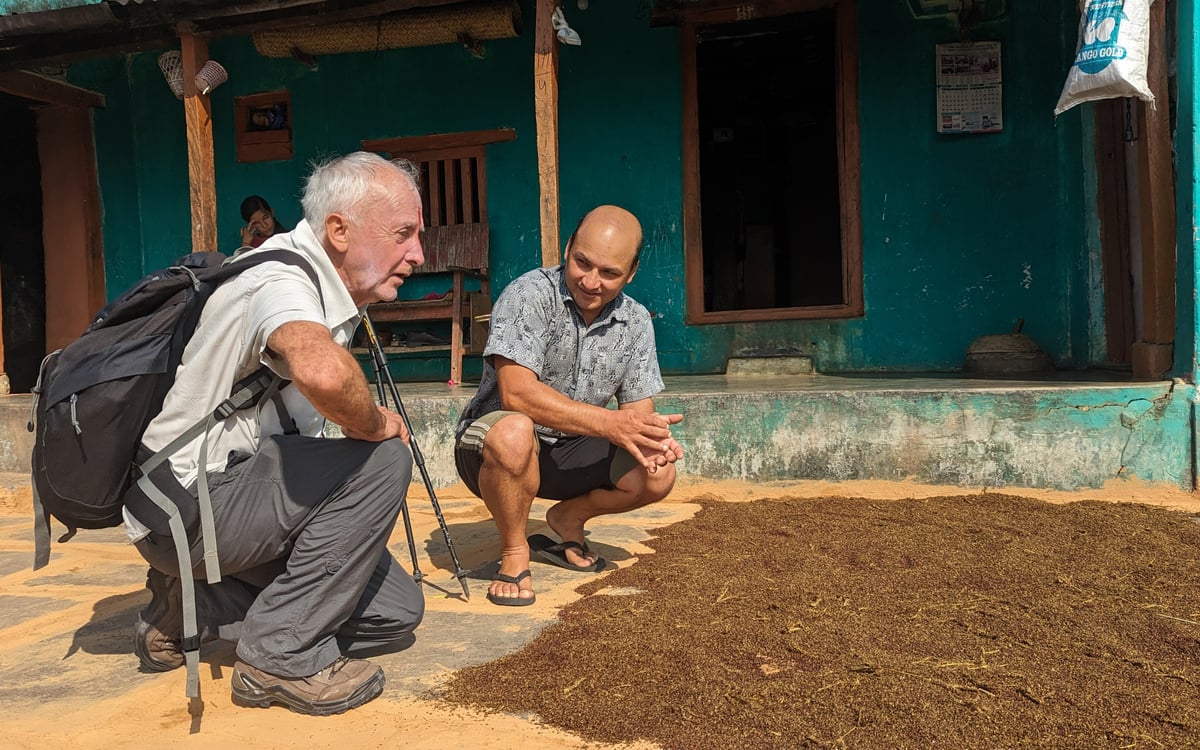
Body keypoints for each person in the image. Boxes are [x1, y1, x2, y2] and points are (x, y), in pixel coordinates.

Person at [125, 152, 427, 715]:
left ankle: (193, 605)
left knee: (396, 612)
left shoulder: (322, 287)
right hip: (190, 505)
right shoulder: (279, 277)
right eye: (403, 235)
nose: (418, 254)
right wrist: (376, 422)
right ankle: (279, 658)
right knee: (383, 459)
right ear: (338, 229)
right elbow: (322, 372)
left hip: (227, 511)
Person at [453, 205, 684, 607]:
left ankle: (569, 517)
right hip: (493, 448)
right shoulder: (529, 295)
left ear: (630, 274)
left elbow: (638, 412)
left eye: (610, 273)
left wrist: (651, 439)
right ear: (567, 249)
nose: (591, 281)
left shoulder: (636, 322)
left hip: (570, 451)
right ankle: (514, 552)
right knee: (514, 430)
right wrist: (612, 424)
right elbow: (517, 395)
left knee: (658, 475)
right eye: (582, 263)